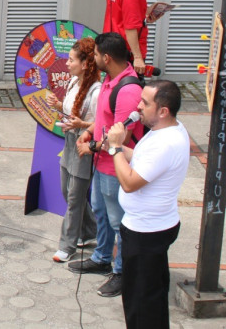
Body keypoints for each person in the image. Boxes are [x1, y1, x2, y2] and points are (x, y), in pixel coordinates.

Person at [105, 80, 188, 328]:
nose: (138, 106)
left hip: (146, 233)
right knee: (150, 295)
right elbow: (141, 159)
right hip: (149, 227)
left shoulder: (165, 143)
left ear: (163, 111)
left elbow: (130, 182)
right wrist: (113, 146)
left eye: (145, 103)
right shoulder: (162, 130)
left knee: (141, 303)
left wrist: (115, 148)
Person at [71, 32, 144, 298]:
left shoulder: (128, 90)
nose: (95, 58)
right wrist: (89, 131)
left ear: (108, 57)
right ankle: (102, 257)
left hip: (116, 167)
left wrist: (89, 147)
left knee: (118, 222)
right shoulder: (109, 81)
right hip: (101, 164)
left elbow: (120, 136)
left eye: (98, 55)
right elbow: (103, 119)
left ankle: (122, 271)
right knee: (101, 213)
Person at [45, 38, 101, 263]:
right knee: (66, 191)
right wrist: (58, 106)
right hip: (69, 141)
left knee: (75, 198)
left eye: (71, 60)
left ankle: (67, 246)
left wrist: (81, 125)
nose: (66, 64)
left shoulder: (96, 92)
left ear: (86, 63)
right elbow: (71, 111)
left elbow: (100, 125)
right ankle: (89, 231)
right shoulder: (73, 83)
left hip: (83, 145)